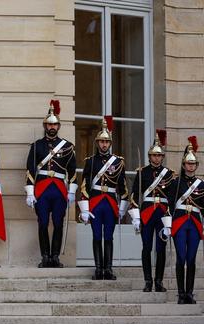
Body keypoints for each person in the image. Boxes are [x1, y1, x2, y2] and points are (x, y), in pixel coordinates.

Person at [25, 100, 77, 268]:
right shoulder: (37, 145)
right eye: (49, 124)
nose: (52, 127)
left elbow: (73, 172)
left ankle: (55, 256)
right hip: (41, 189)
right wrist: (30, 192)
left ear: (59, 126)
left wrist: (71, 192)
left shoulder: (67, 147)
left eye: (54, 124)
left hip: (59, 190)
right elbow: (30, 170)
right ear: (45, 126)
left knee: (58, 222)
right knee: (42, 222)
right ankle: (45, 256)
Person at [78, 116, 128, 281]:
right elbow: (84, 185)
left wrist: (122, 209)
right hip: (96, 203)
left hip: (111, 203)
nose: (104, 145)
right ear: (97, 143)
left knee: (108, 236)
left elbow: (123, 187)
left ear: (110, 144)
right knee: (96, 236)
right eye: (101, 142)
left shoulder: (119, 162)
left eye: (106, 142)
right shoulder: (90, 162)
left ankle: (108, 269)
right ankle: (99, 269)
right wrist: (84, 209)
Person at [128, 129, 174, 292]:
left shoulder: (169, 174)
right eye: (154, 155)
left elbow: (173, 198)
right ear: (149, 156)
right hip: (147, 212)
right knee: (146, 247)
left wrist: (170, 219)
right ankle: (148, 281)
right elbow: (134, 195)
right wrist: (135, 216)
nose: (157, 158)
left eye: (159, 155)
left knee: (160, 249)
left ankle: (159, 281)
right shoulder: (142, 172)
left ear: (162, 157)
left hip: (162, 214)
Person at [167, 137, 203, 304]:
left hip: (195, 223)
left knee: (191, 259)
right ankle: (181, 293)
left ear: (196, 166)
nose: (191, 166)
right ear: (183, 165)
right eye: (188, 164)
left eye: (193, 164)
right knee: (181, 257)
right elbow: (168, 204)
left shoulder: (201, 185)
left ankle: (189, 293)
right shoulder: (176, 182)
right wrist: (167, 225)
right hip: (180, 222)